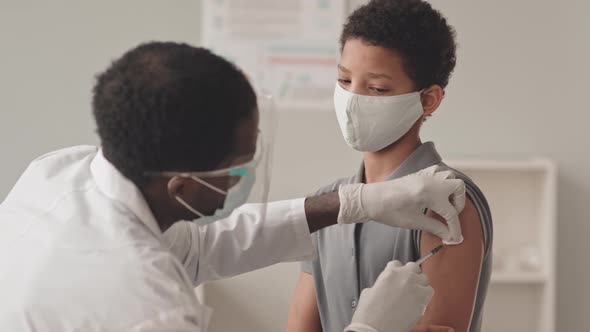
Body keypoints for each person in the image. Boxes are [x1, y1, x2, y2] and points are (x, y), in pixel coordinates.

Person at [0, 42, 465, 332]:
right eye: (238, 166)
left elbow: (199, 244)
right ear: (183, 185)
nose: (247, 170)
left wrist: (355, 203)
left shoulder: (63, 172)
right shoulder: (148, 311)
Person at [287, 1, 493, 332]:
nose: (353, 99)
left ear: (428, 99)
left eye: (377, 88)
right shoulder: (326, 205)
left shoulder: (446, 200)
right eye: (343, 80)